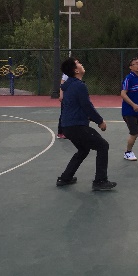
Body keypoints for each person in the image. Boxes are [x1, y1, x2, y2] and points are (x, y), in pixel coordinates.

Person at [56, 57, 116, 191]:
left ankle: (65, 178)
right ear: (76, 70)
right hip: (76, 126)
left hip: (67, 127)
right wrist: (100, 121)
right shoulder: (79, 86)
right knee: (103, 146)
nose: (81, 64)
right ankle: (100, 181)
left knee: (83, 150)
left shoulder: (69, 85)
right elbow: (87, 106)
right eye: (78, 63)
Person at [57, 73, 68, 139]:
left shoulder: (76, 72)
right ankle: (60, 132)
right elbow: (62, 83)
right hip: (66, 97)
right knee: (64, 114)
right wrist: (61, 95)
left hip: (71, 97)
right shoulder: (67, 73)